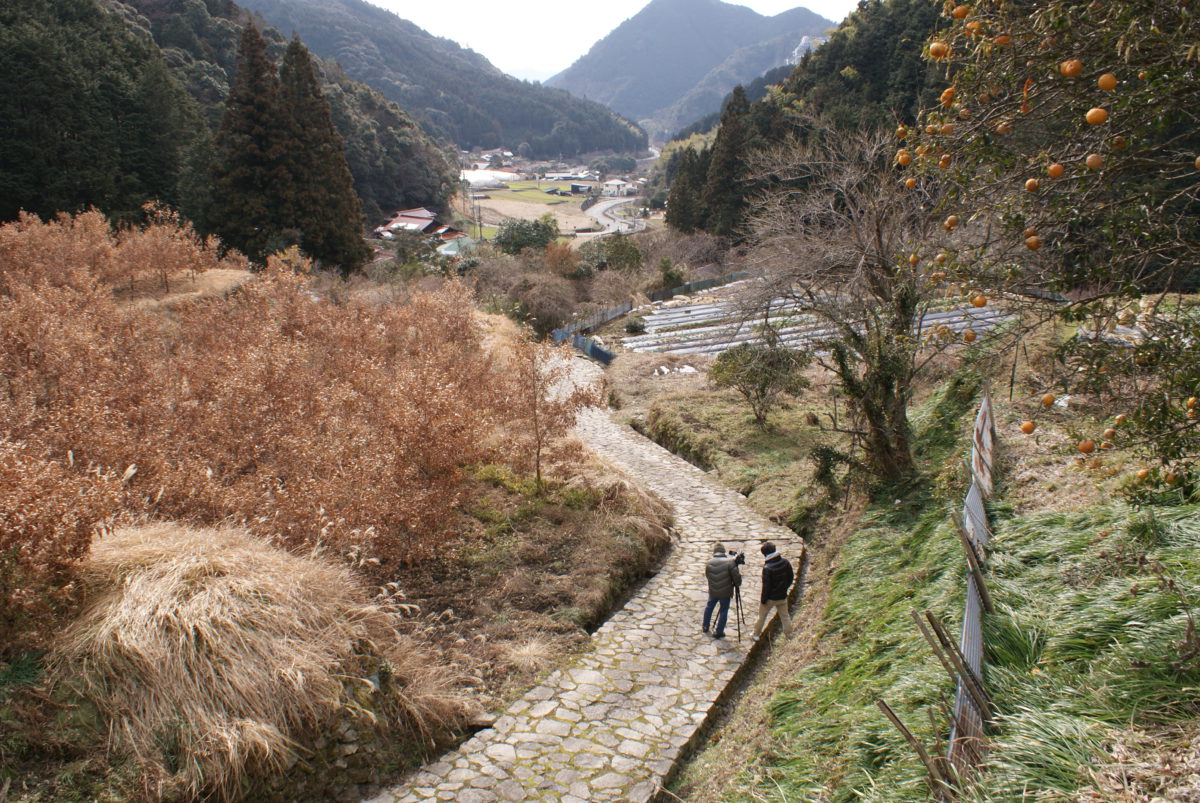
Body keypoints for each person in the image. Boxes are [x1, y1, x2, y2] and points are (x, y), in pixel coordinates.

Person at [752, 541, 794, 638]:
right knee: (785, 617)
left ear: (764, 554)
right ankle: (790, 635)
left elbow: (766, 587)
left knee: (761, 617)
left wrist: (763, 600)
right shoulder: (785, 562)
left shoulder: (767, 568)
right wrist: (784, 589)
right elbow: (790, 578)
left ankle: (755, 634)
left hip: (770, 598)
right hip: (782, 596)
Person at [703, 542, 742, 639]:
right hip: (726, 592)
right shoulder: (730, 562)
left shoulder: (709, 563)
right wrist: (737, 584)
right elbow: (736, 579)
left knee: (709, 607)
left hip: (713, 591)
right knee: (724, 610)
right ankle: (719, 631)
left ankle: (705, 626)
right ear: (723, 551)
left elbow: (708, 576)